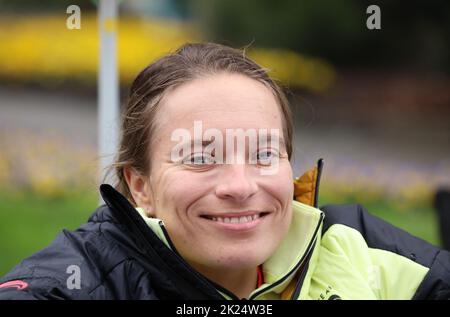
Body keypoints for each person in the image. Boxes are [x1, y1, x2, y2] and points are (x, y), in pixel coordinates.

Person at [0, 43, 449, 300]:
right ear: (141, 186)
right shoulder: (74, 284)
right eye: (199, 158)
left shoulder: (355, 246)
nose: (239, 186)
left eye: (263, 153)